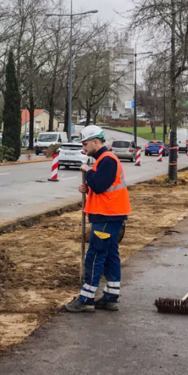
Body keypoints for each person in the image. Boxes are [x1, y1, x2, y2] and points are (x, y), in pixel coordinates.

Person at [63, 125, 131, 313]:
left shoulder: (107, 160)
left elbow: (101, 185)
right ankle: (110, 297)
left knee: (95, 255)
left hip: (107, 215)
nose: (83, 149)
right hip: (110, 213)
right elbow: (101, 186)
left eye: (85, 144)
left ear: (96, 142)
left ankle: (86, 299)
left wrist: (88, 171)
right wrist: (88, 187)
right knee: (110, 255)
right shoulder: (103, 160)